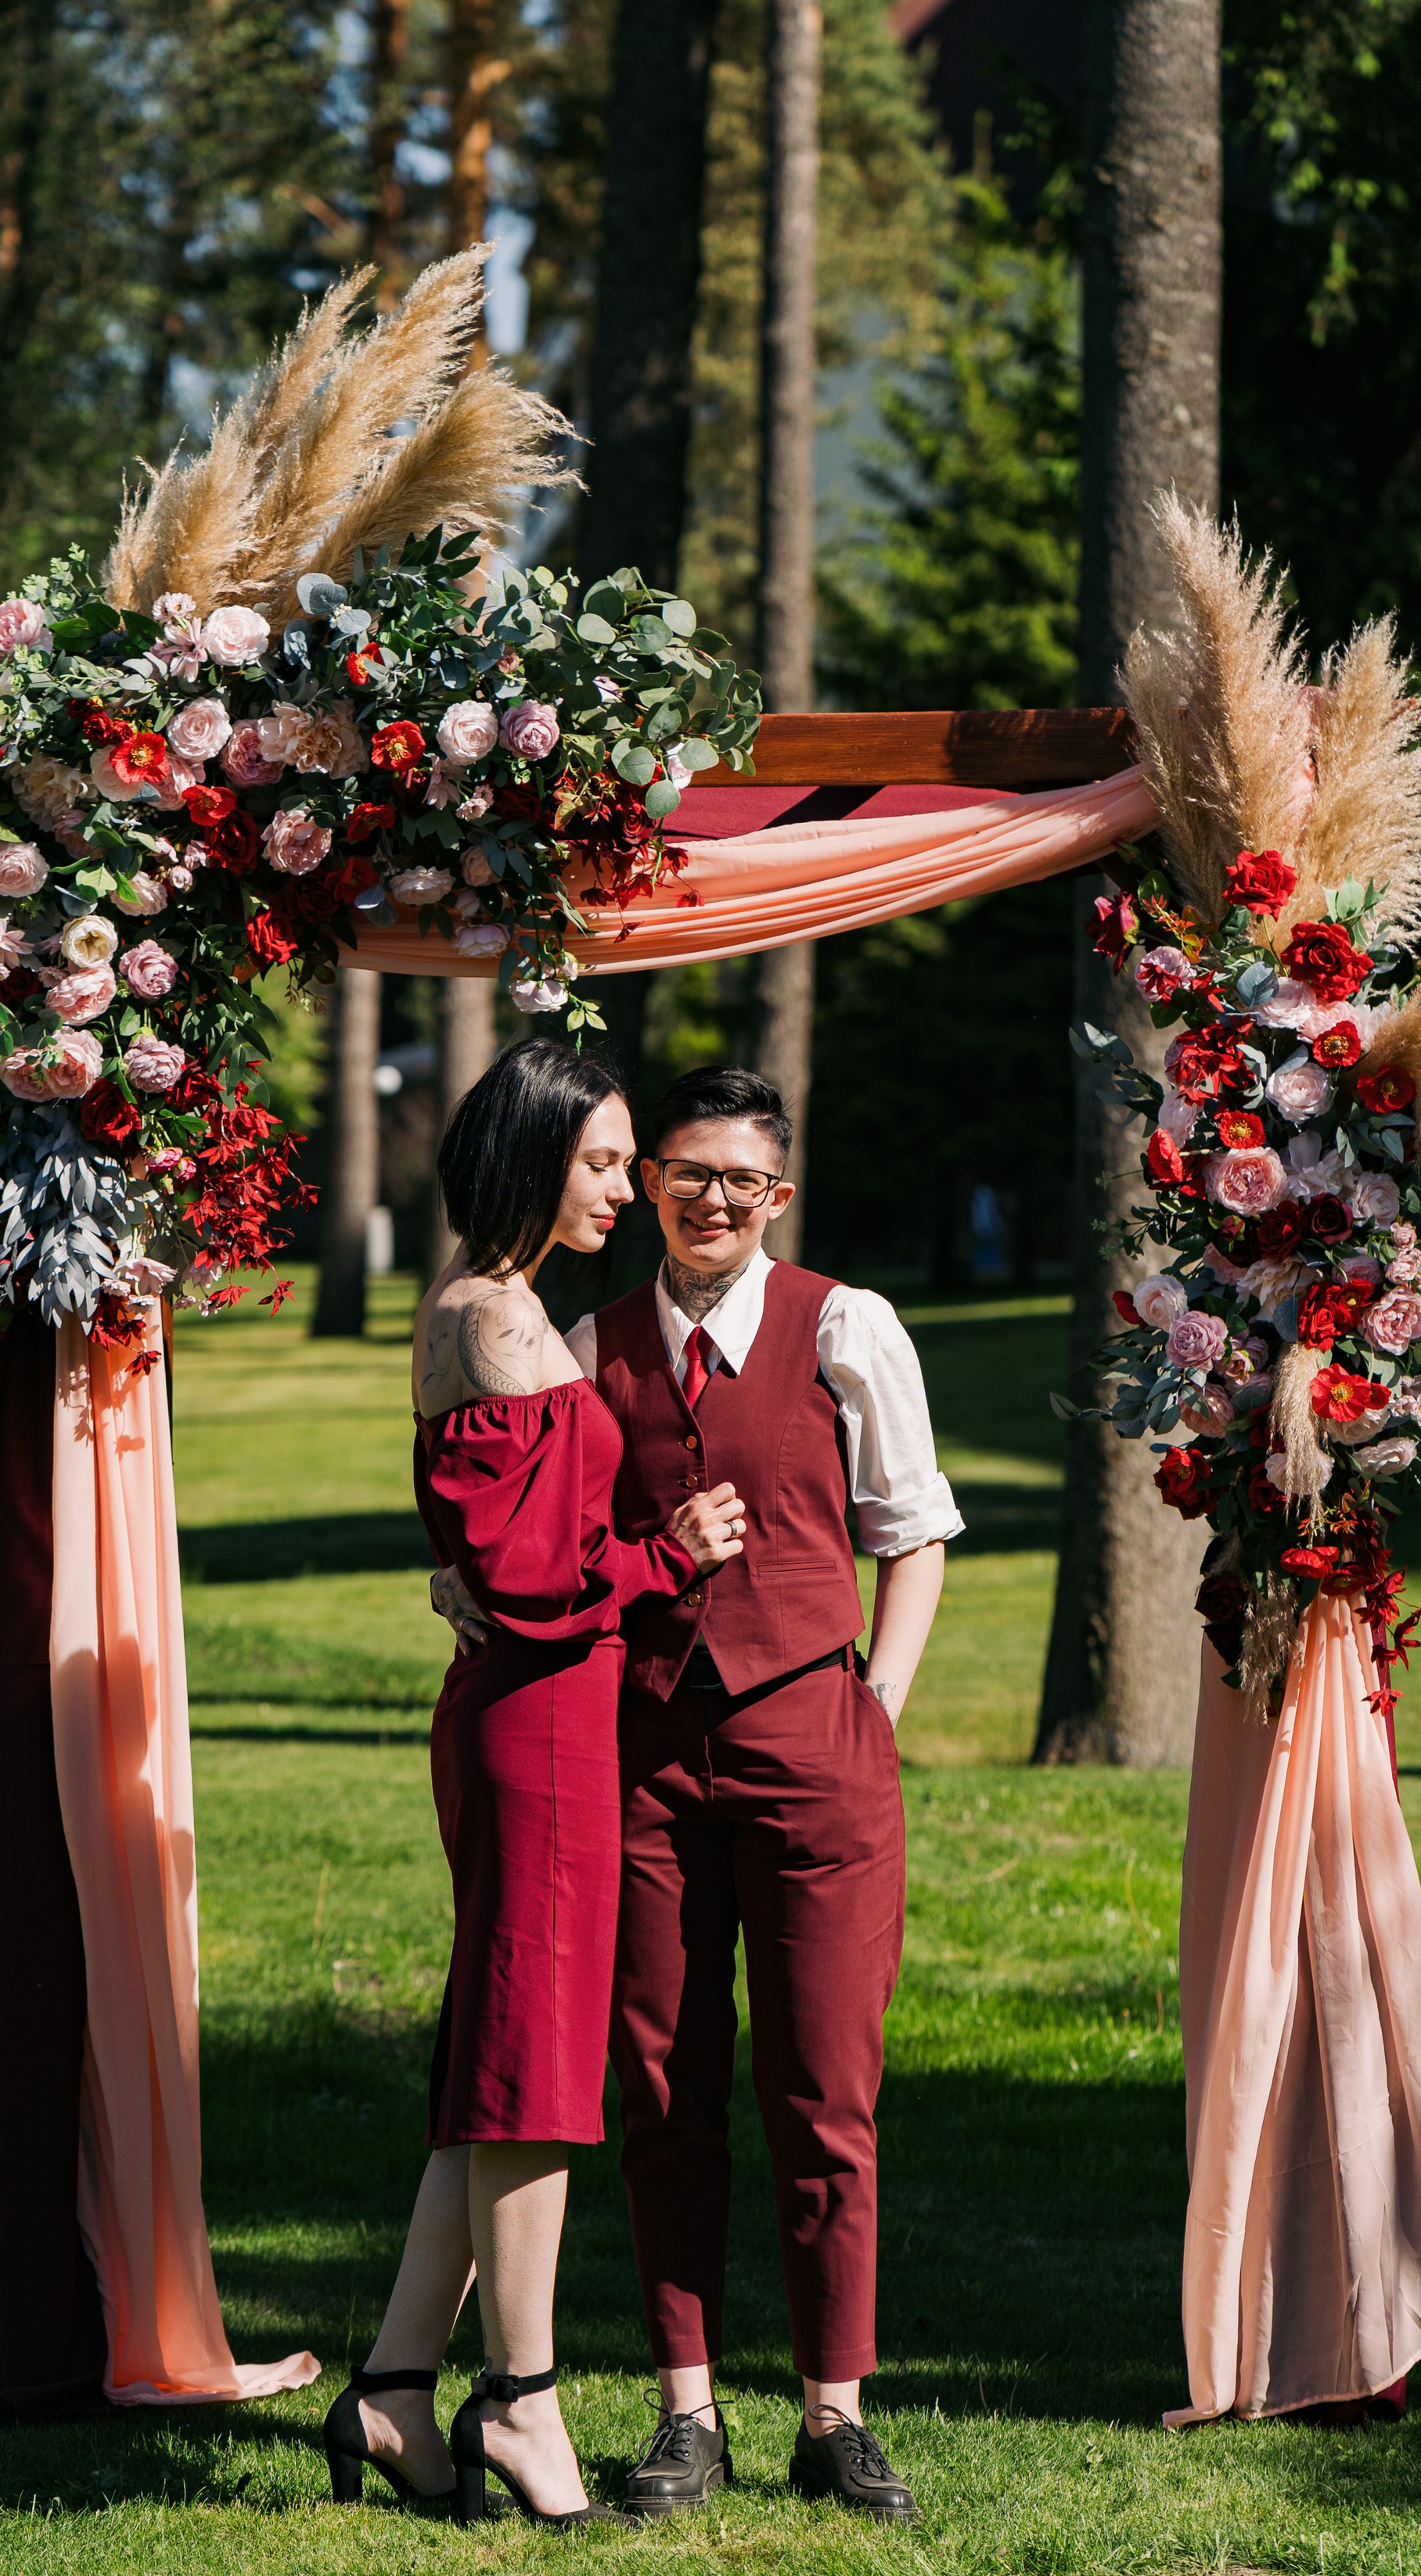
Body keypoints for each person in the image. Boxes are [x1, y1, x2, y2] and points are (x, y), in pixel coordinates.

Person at [433, 1062, 962, 2522]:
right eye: (684, 1171)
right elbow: (532, 1522)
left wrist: (879, 1702)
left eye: (743, 1178)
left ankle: (836, 2411)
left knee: (826, 2087)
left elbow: (912, 1530)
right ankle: (688, 2409)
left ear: (777, 1195)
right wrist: (456, 1575)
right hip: (642, 1761)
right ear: (648, 1180)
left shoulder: (847, 1325)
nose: (712, 1197)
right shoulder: (579, 1336)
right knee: (661, 2084)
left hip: (818, 1750)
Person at [322, 1036, 746, 2530]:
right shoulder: (495, 1322)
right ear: (531, 1151)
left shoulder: (510, 1310)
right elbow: (523, 1580)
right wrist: (667, 1553)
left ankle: (390, 2387)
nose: (630, 1189)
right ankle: (524, 2396)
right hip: (535, 1725)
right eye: (607, 1160)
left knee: (509, 2072)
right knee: (534, 2080)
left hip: (552, 1718)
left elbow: (497, 1561)